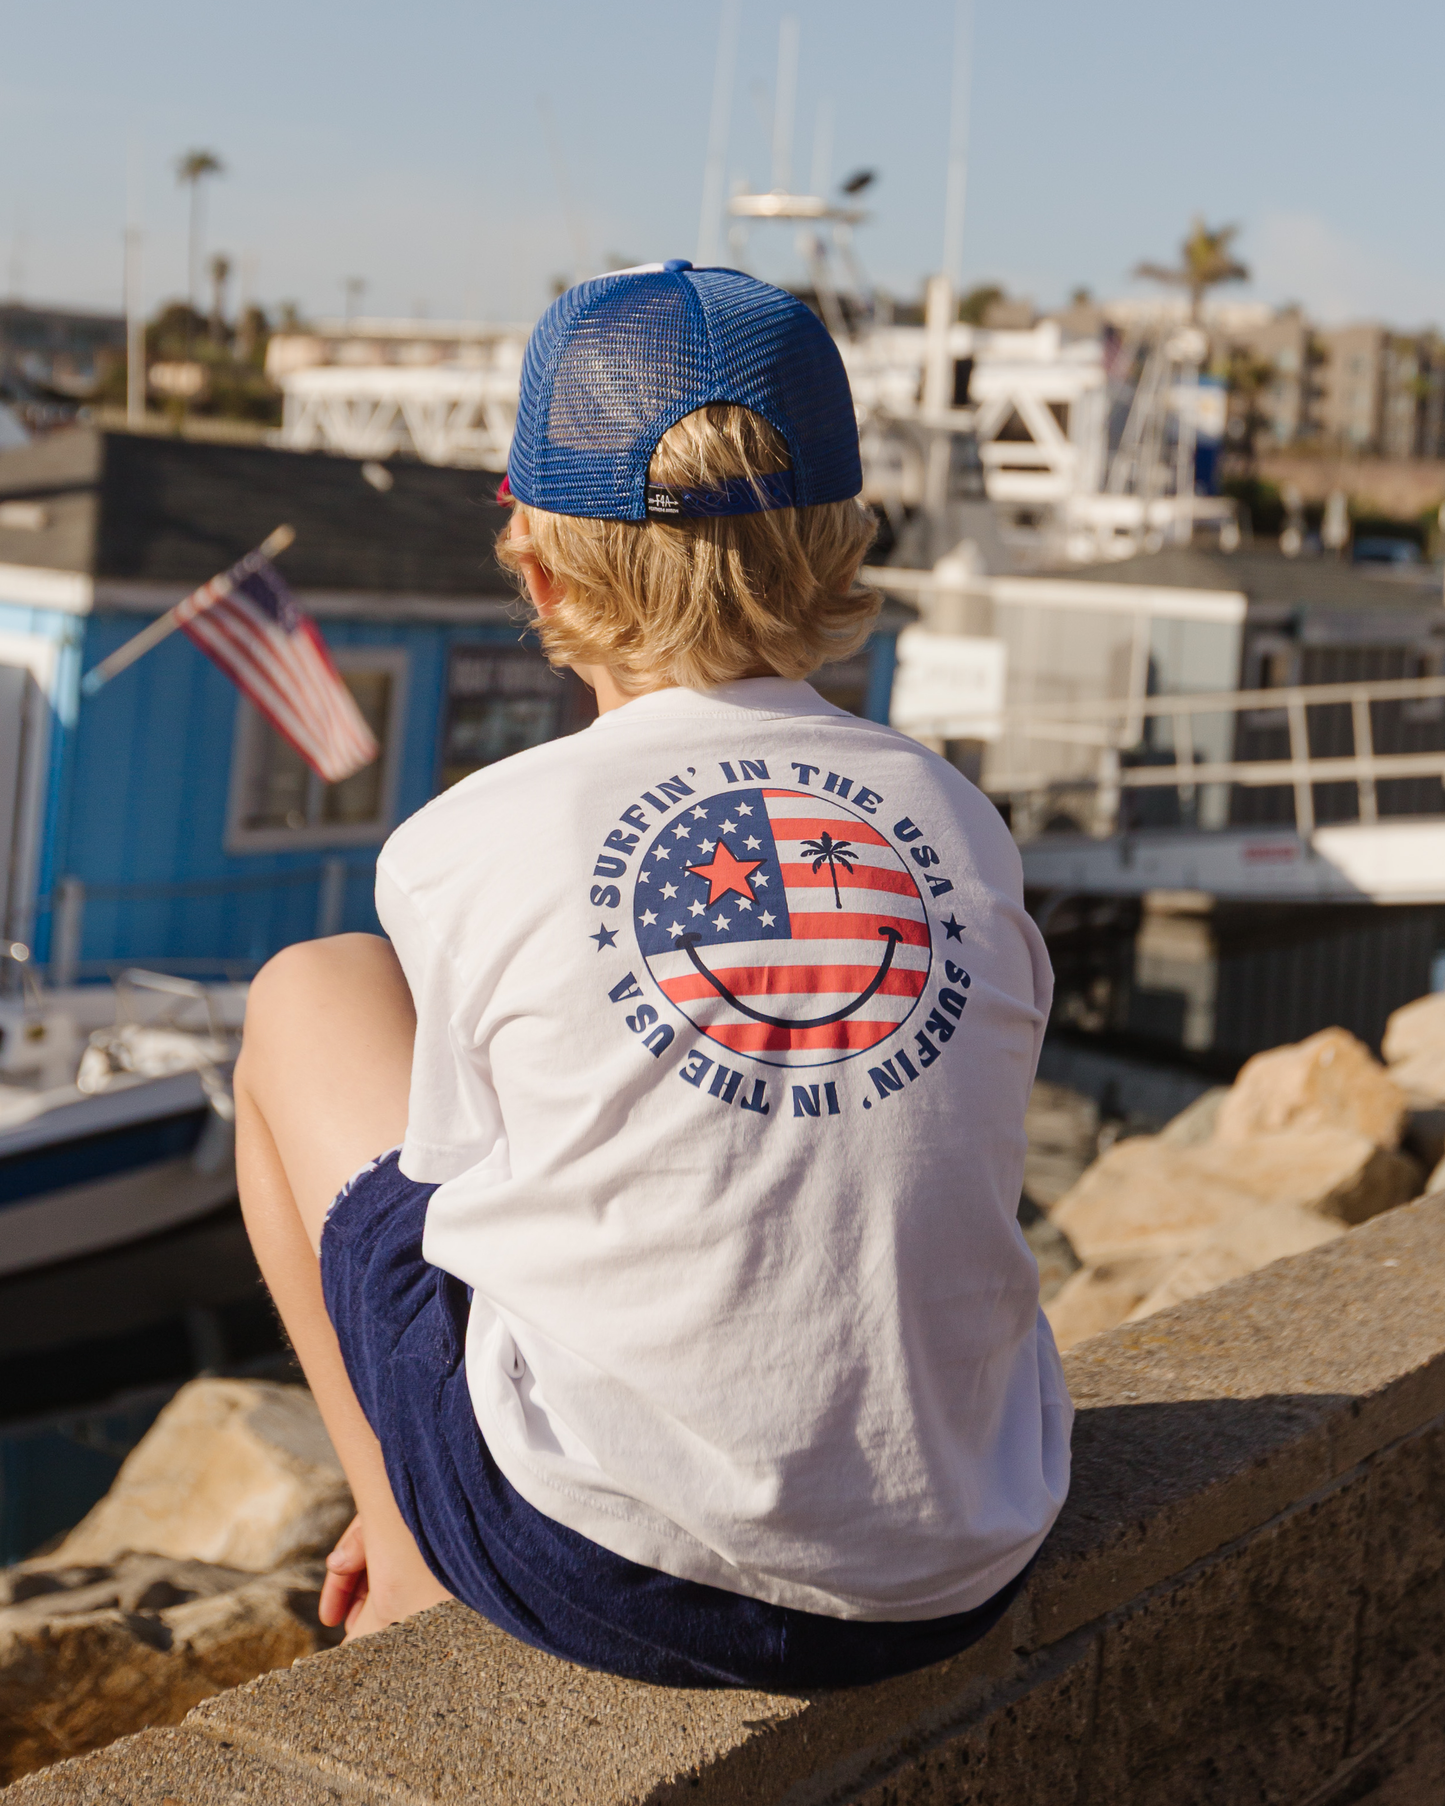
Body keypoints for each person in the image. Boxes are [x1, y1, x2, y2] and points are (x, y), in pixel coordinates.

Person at [235, 260, 1071, 1690]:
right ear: (841, 544)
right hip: (964, 1555)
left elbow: (448, 1210)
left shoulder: (470, 838)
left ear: (539, 565)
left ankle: (408, 1542)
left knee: (307, 991)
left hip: (602, 1566)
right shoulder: (958, 819)